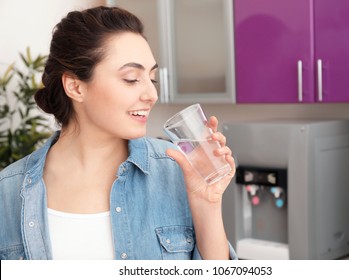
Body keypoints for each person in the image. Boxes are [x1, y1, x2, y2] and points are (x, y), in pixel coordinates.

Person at [0, 6, 237, 260]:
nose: (151, 95)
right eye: (132, 79)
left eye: (152, 79)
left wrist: (207, 204)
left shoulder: (177, 170)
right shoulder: (10, 191)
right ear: (75, 86)